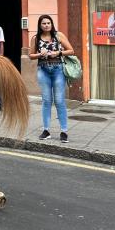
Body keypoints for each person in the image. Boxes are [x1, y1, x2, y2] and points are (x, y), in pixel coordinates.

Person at [29, 14, 74, 143]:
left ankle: (64, 131)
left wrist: (58, 53)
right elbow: (31, 55)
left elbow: (71, 50)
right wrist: (39, 54)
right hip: (43, 70)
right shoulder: (35, 38)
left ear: (51, 24)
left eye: (48, 23)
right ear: (40, 25)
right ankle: (46, 130)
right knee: (46, 101)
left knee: (59, 101)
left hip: (58, 70)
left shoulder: (58, 35)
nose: (46, 25)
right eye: (44, 23)